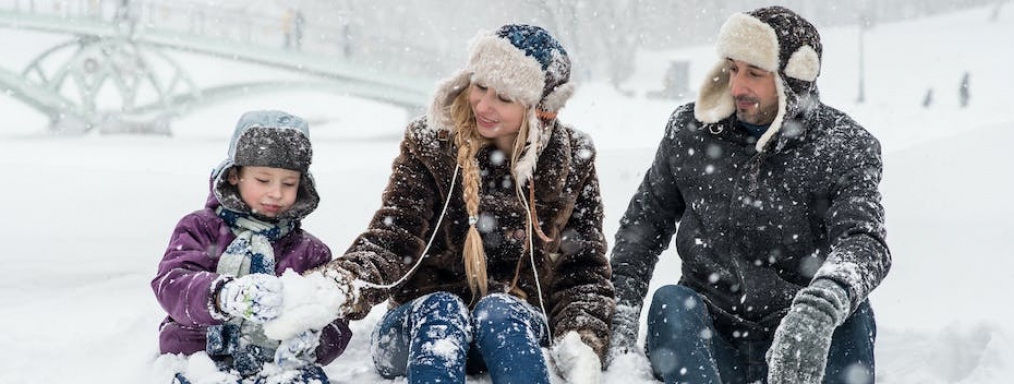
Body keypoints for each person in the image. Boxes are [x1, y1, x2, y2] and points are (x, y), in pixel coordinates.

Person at [307, 24, 613, 384]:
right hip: (415, 326)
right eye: (480, 87)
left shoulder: (572, 158)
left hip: (510, 330)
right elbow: (394, 237)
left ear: (538, 109)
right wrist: (338, 285)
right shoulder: (430, 143)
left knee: (501, 311)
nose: (484, 105)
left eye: (503, 97)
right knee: (443, 309)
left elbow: (582, 266)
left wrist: (582, 338)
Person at [608, 6, 891, 384]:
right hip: (711, 340)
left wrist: (820, 305)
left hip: (801, 341)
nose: (737, 86)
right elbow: (642, 227)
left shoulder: (843, 146)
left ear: (794, 82)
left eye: (755, 74)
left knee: (851, 312)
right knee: (670, 304)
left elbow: (864, 240)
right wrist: (621, 310)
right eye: (733, 68)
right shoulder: (690, 132)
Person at [152, 110, 352, 384]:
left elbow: (335, 316)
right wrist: (224, 295)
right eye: (263, 180)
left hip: (279, 366)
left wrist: (315, 340)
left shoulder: (310, 252)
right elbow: (172, 284)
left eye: (289, 183)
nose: (276, 192)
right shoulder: (200, 228)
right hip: (198, 359)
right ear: (235, 175)